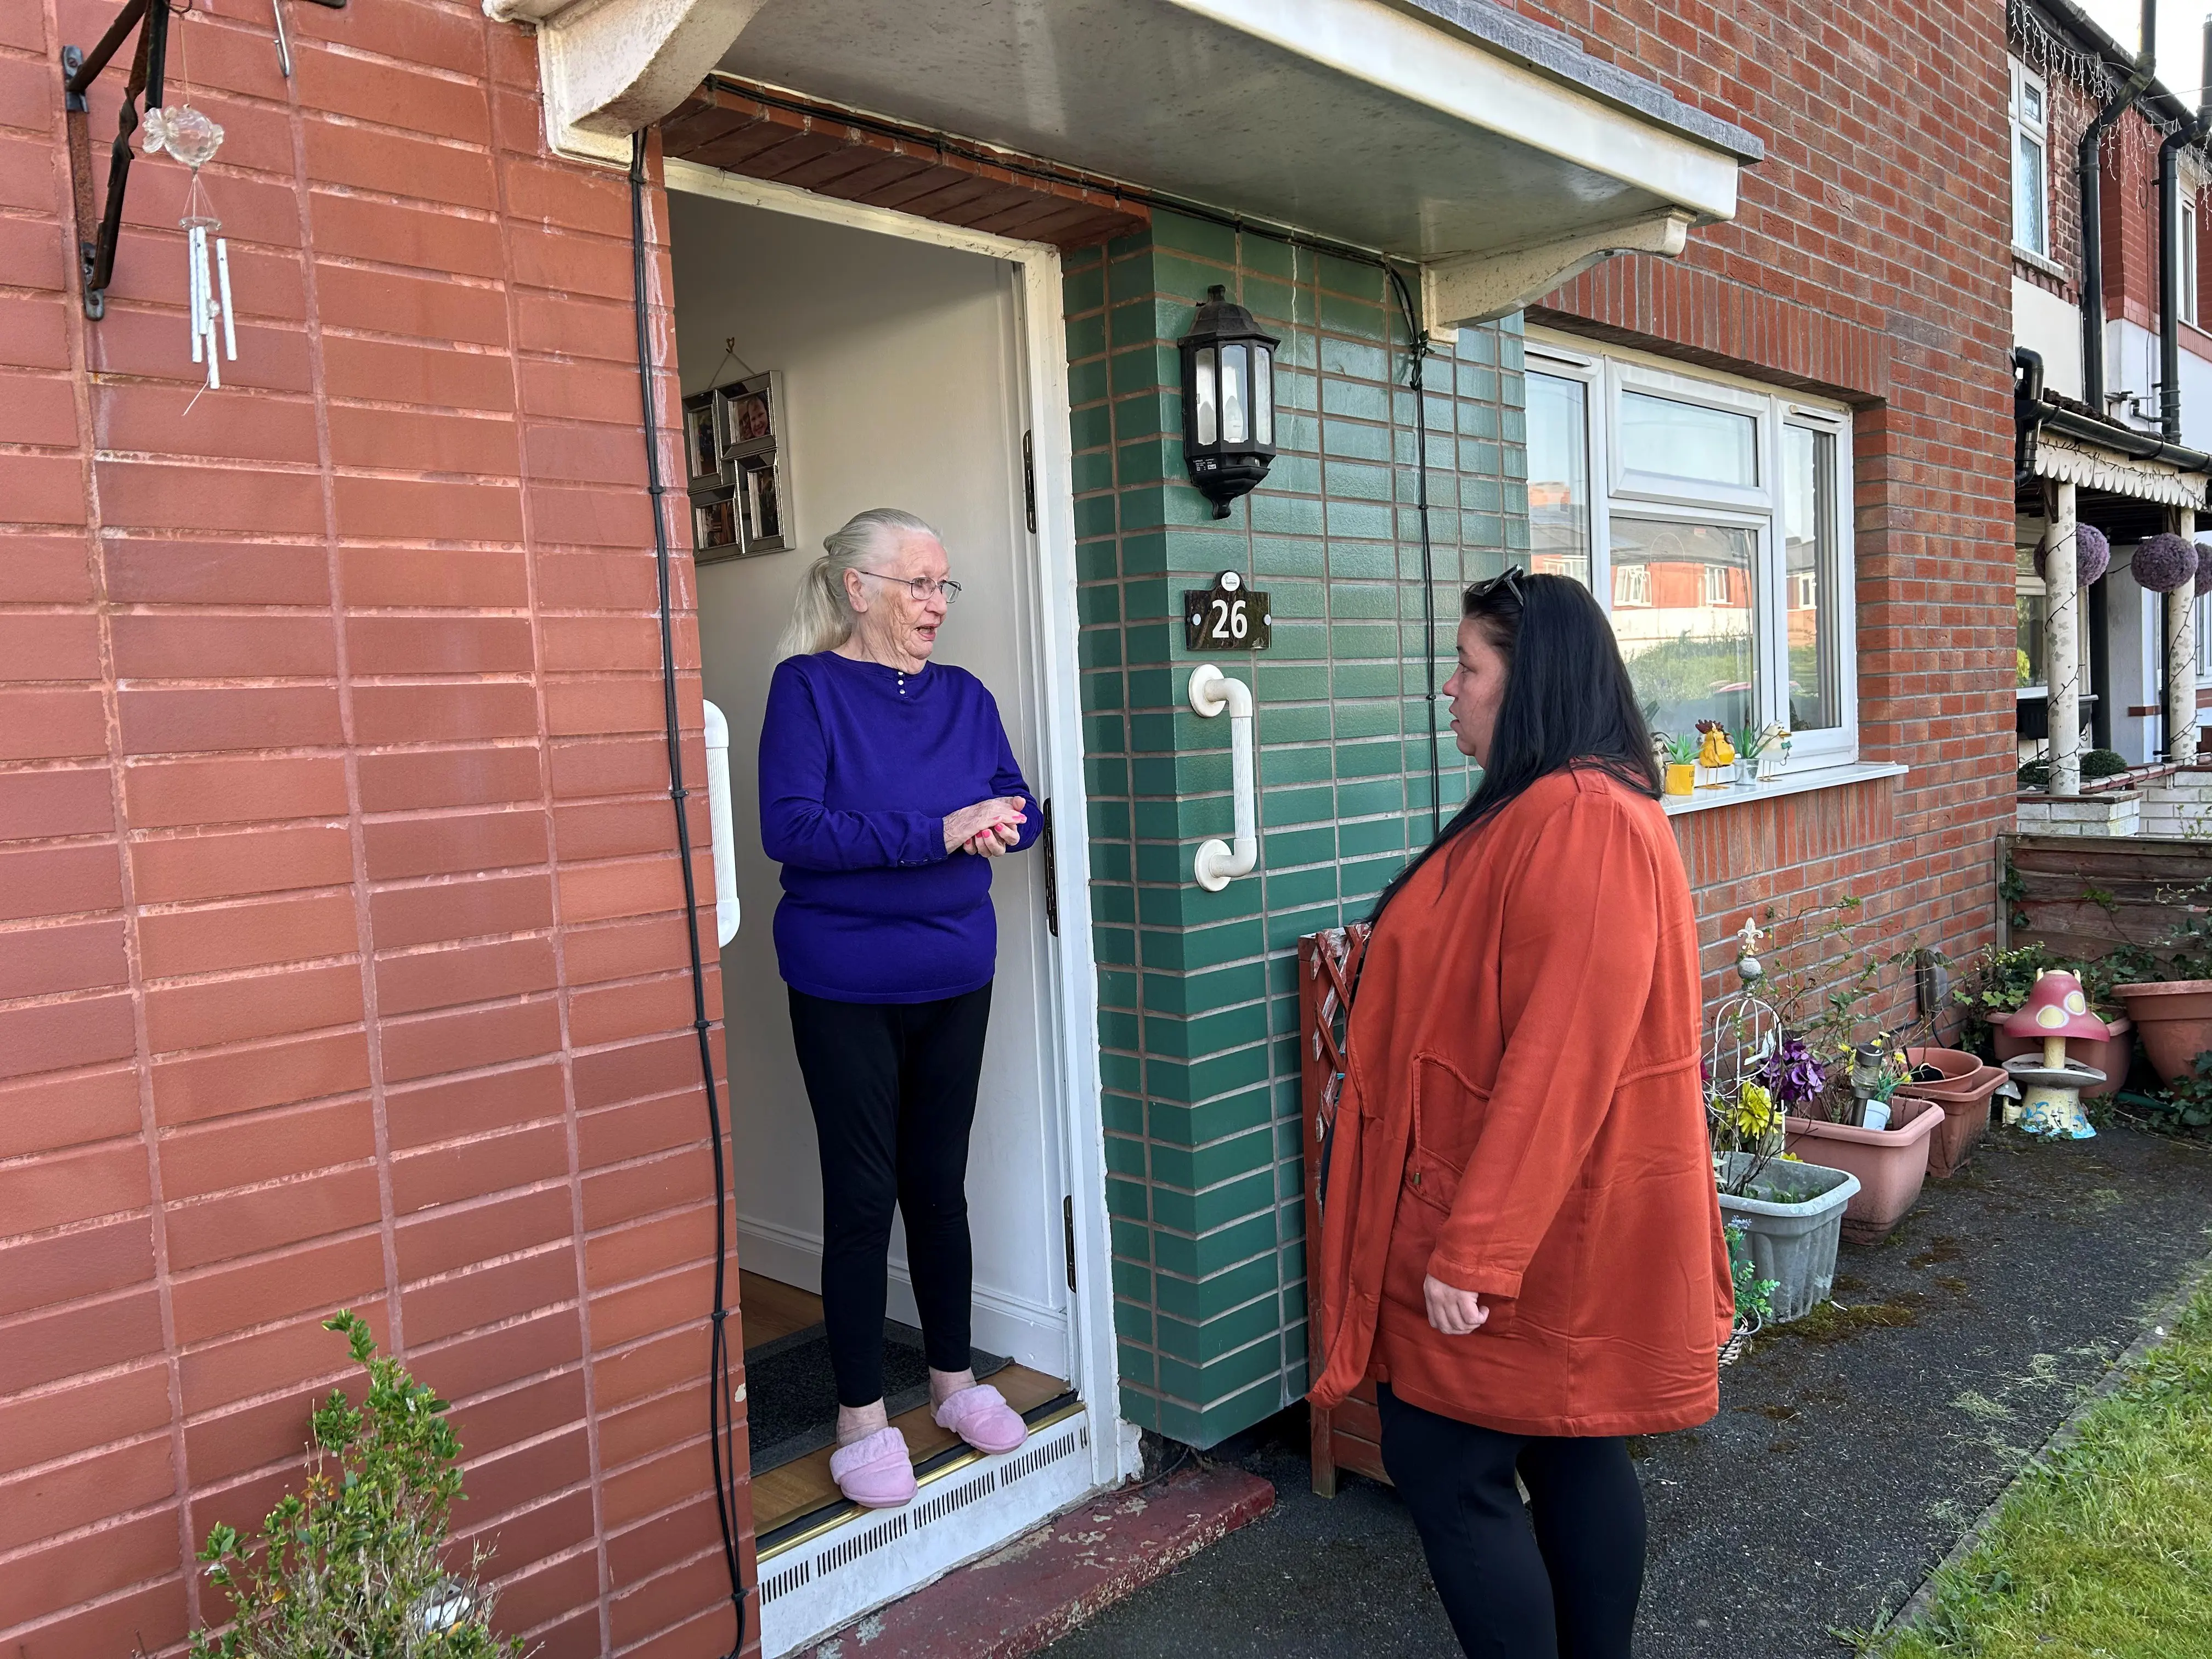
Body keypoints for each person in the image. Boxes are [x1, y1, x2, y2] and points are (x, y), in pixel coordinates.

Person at [1309, 569, 1734, 1659]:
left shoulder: (1585, 818)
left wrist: (1479, 1252)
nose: (1448, 689)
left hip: (1532, 1228)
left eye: (1468, 667)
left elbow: (1566, 1051)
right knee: (1565, 1447)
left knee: (1450, 1460)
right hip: (1522, 1212)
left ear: (1528, 681)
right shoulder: (1548, 807)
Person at [759, 507, 1040, 1509]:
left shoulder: (963, 696)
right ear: (857, 589)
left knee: (939, 1186)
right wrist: (939, 828)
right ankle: (861, 1418)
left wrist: (1009, 819)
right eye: (920, 584)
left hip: (956, 971)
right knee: (862, 1194)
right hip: (844, 981)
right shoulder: (807, 690)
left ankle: (956, 1384)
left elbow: (1016, 797)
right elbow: (791, 827)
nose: (937, 605)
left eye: (944, 586)